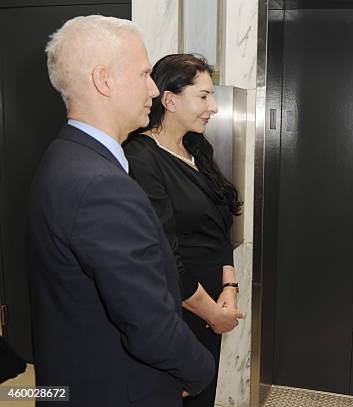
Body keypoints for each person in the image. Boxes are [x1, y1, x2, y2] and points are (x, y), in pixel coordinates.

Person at [27, 16, 216, 407]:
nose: (153, 87)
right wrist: (199, 370)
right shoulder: (100, 183)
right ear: (104, 80)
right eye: (145, 73)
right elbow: (149, 325)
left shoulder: (64, 155)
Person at [123, 54, 243, 407]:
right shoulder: (141, 158)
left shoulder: (195, 149)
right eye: (204, 96)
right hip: (180, 313)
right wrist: (212, 314)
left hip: (213, 305)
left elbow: (219, 229)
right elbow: (163, 257)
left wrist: (230, 288)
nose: (214, 108)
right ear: (170, 100)